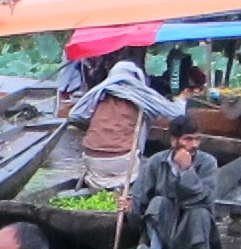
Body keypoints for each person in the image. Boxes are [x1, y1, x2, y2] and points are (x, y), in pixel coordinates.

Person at [121, 113, 220, 249]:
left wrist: (187, 171)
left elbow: (205, 200)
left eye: (197, 139)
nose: (194, 144)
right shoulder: (156, 162)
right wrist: (130, 208)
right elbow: (140, 201)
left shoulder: (208, 163)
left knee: (200, 212)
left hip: (192, 230)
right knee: (158, 202)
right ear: (174, 140)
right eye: (188, 139)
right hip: (164, 230)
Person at [69, 59, 184, 190]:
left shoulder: (99, 93)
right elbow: (176, 113)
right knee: (159, 167)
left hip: (92, 160)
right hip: (124, 162)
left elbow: (74, 115)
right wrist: (181, 100)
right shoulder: (140, 95)